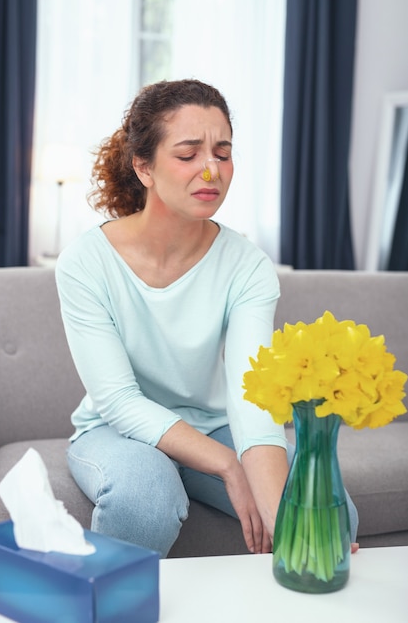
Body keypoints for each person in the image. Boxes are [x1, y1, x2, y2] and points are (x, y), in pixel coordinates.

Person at [55, 79, 359, 558]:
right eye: (188, 154)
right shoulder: (86, 261)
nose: (211, 171)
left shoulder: (248, 266)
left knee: (323, 514)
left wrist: (285, 515)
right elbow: (117, 400)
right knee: (144, 501)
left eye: (223, 152)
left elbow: (250, 393)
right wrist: (226, 465)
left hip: (216, 423)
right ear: (144, 166)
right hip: (118, 431)